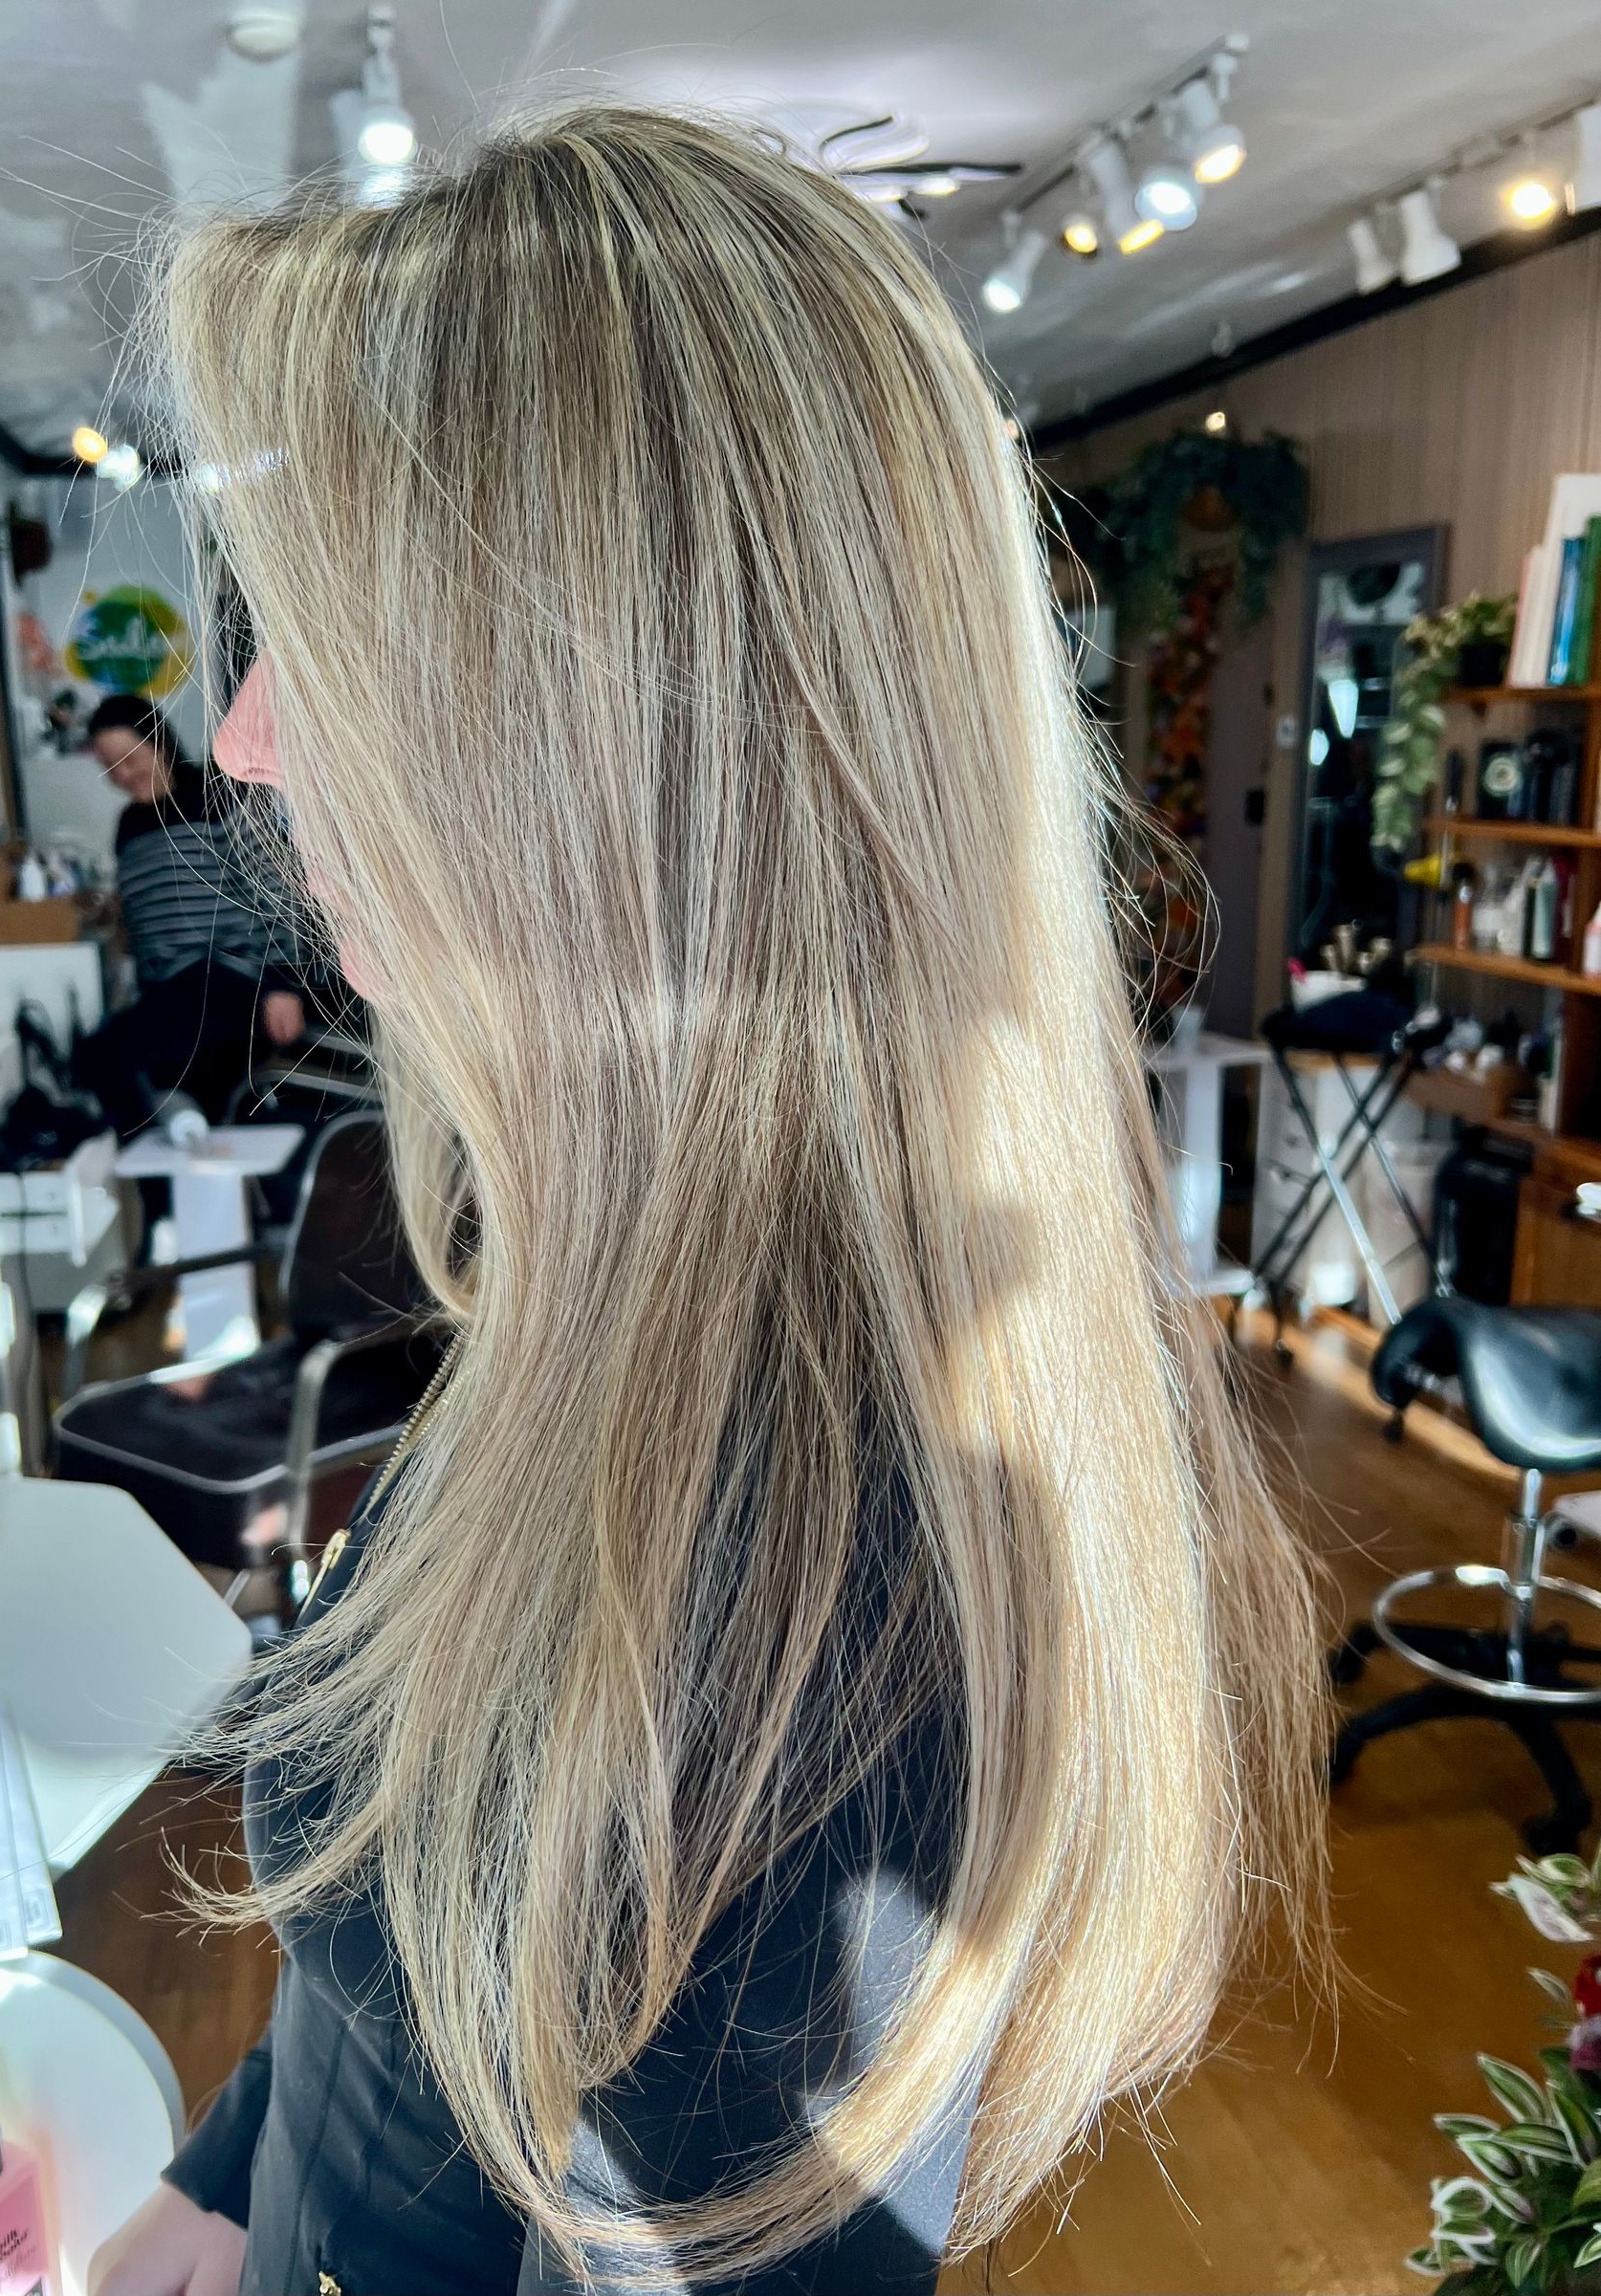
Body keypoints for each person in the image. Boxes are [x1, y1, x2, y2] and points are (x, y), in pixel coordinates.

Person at [90, 106, 1325, 2296]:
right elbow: (432, 1941)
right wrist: (225, 2170)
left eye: (336, 639)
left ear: (615, 727)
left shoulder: (822, 1593)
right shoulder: (611, 1309)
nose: (257, 738)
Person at [72, 691, 310, 1137]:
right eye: (109, 766)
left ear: (159, 742)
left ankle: (169, 1186)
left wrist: (282, 986)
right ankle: (170, 1179)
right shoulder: (129, 827)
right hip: (174, 993)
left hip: (235, 981)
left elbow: (281, 894)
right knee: (103, 1062)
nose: (122, 774)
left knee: (116, 1060)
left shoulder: (220, 797)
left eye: (129, 758)